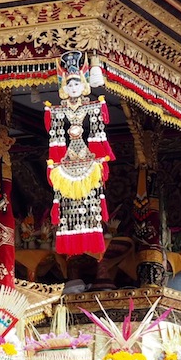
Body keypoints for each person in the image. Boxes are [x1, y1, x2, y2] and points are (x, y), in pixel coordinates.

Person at [45, 50, 114, 255]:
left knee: (91, 197)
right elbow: (56, 141)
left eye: (76, 83)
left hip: (86, 157)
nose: (73, 88)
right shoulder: (57, 111)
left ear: (84, 85)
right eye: (69, 84)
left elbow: (97, 136)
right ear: (63, 88)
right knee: (65, 201)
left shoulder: (92, 108)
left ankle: (91, 234)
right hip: (68, 159)